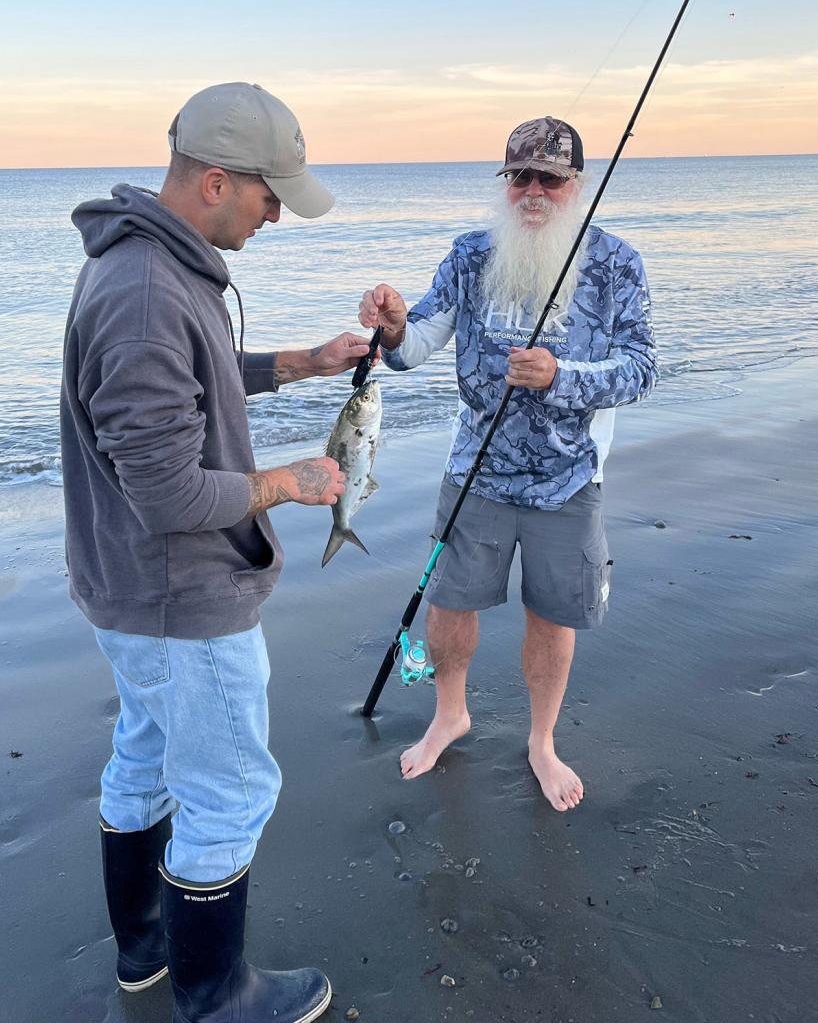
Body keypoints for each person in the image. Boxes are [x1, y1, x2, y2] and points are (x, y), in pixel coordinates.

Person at [61, 82, 368, 1023]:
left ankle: (146, 954)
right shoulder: (152, 290)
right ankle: (213, 995)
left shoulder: (146, 262)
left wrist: (300, 366)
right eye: (270, 194)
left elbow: (194, 384)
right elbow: (163, 491)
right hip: (180, 595)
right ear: (215, 182)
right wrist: (289, 483)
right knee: (230, 789)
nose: (277, 212)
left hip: (126, 589)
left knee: (144, 759)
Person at [359, 116, 657, 812]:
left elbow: (642, 371)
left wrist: (560, 376)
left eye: (549, 178)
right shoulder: (469, 255)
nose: (532, 191)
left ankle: (542, 741)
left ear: (574, 185)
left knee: (551, 618)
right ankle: (449, 715)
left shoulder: (617, 264)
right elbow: (415, 342)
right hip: (475, 474)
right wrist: (394, 324)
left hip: (569, 478)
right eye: (519, 176)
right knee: (449, 607)